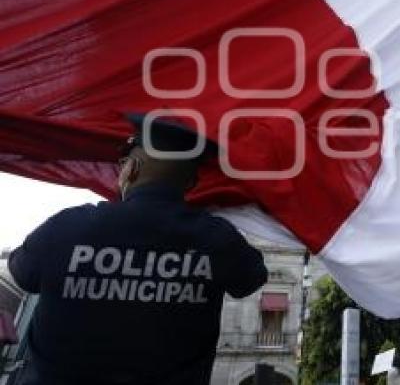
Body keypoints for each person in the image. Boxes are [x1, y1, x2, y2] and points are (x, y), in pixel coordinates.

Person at [8, 114, 268, 385]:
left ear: (131, 169)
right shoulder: (216, 239)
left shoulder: (66, 227)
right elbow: (251, 278)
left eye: (122, 164)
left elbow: (22, 273)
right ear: (191, 183)